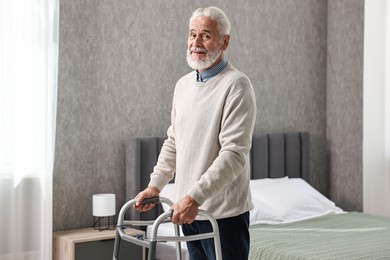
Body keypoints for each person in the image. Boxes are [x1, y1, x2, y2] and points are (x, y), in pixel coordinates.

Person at [134, 6, 256, 260]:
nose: (196, 42)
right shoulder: (183, 86)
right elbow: (174, 141)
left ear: (224, 42)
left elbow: (234, 155)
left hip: (223, 216)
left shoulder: (236, 85)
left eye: (205, 35)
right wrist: (155, 185)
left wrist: (195, 197)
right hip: (189, 211)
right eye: (192, 35)